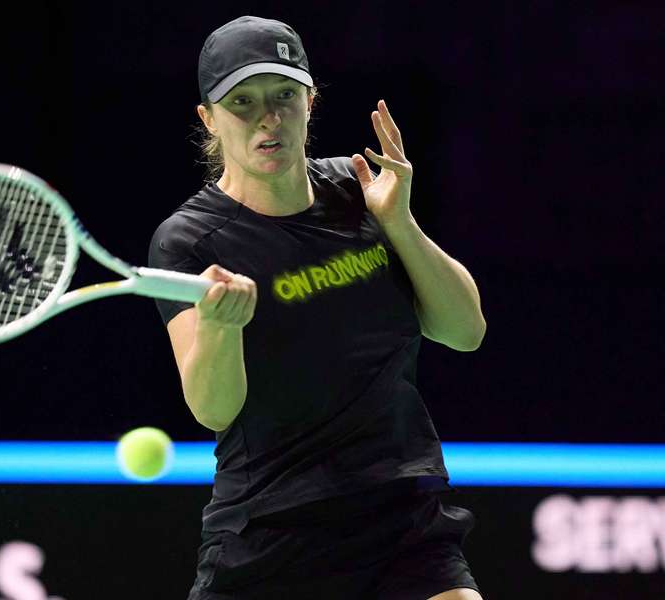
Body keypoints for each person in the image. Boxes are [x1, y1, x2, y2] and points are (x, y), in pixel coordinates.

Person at [148, 16, 486, 600]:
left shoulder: (360, 189)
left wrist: (398, 222)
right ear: (209, 119)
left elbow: (464, 330)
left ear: (310, 99)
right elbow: (213, 410)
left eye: (283, 96)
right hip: (273, 535)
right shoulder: (190, 241)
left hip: (402, 521)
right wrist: (222, 330)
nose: (268, 119)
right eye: (243, 103)